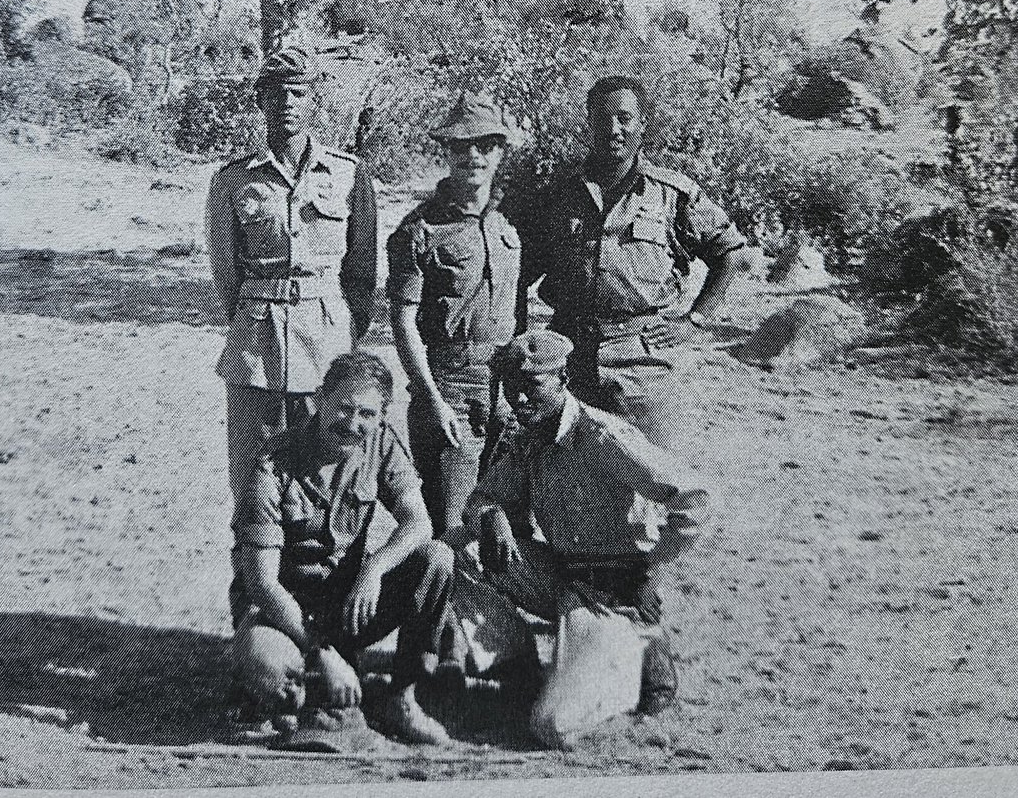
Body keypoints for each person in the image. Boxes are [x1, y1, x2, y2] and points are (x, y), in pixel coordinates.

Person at [463, 331, 713, 717]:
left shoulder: (602, 436)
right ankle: (518, 663)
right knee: (457, 551)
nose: (520, 399)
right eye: (512, 388)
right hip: (562, 575)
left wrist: (653, 565)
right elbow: (480, 501)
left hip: (613, 592)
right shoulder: (529, 439)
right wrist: (491, 515)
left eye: (531, 385)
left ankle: (643, 651)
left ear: (562, 380)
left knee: (555, 725)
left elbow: (696, 497)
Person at [230, 351, 453, 746]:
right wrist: (322, 653)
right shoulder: (271, 464)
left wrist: (374, 569)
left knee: (436, 558)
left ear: (381, 416)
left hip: (346, 603)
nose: (352, 424)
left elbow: (420, 522)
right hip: (283, 613)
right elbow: (262, 583)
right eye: (343, 408)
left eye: (366, 414)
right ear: (319, 399)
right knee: (277, 680)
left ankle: (401, 698)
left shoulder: (381, 445)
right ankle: (292, 689)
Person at [515, 75, 749, 448]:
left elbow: (730, 251)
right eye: (603, 118)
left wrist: (696, 318)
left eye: (625, 118)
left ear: (642, 125)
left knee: (656, 485)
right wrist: (521, 346)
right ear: (588, 123)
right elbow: (518, 271)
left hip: (645, 364)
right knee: (576, 489)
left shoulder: (673, 195)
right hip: (569, 364)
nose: (614, 129)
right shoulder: (558, 195)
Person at [205, 46, 377, 526]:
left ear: (314, 102)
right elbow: (226, 273)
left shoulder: (347, 173)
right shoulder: (233, 180)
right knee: (254, 479)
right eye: (276, 93)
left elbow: (362, 270)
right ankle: (255, 590)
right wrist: (250, 317)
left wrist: (345, 335)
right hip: (255, 346)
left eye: (298, 93)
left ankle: (321, 582)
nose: (287, 103)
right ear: (259, 101)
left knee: (325, 478)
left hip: (325, 341)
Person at [387, 91, 520, 538]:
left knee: (509, 522)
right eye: (461, 146)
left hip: (507, 386)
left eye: (485, 145)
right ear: (446, 153)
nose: (473, 156)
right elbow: (403, 323)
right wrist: (432, 399)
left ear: (501, 152)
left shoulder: (509, 222)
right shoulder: (418, 229)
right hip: (450, 387)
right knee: (451, 528)